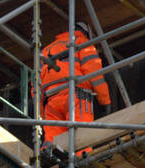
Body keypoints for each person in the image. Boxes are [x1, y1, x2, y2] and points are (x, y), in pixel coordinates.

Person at [39, 22, 111, 154]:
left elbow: (35, 85)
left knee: (53, 140)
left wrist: (42, 111)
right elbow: (94, 73)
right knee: (81, 137)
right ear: (86, 33)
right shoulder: (82, 42)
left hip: (51, 101)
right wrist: (104, 100)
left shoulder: (44, 52)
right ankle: (81, 164)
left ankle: (48, 154)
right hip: (76, 97)